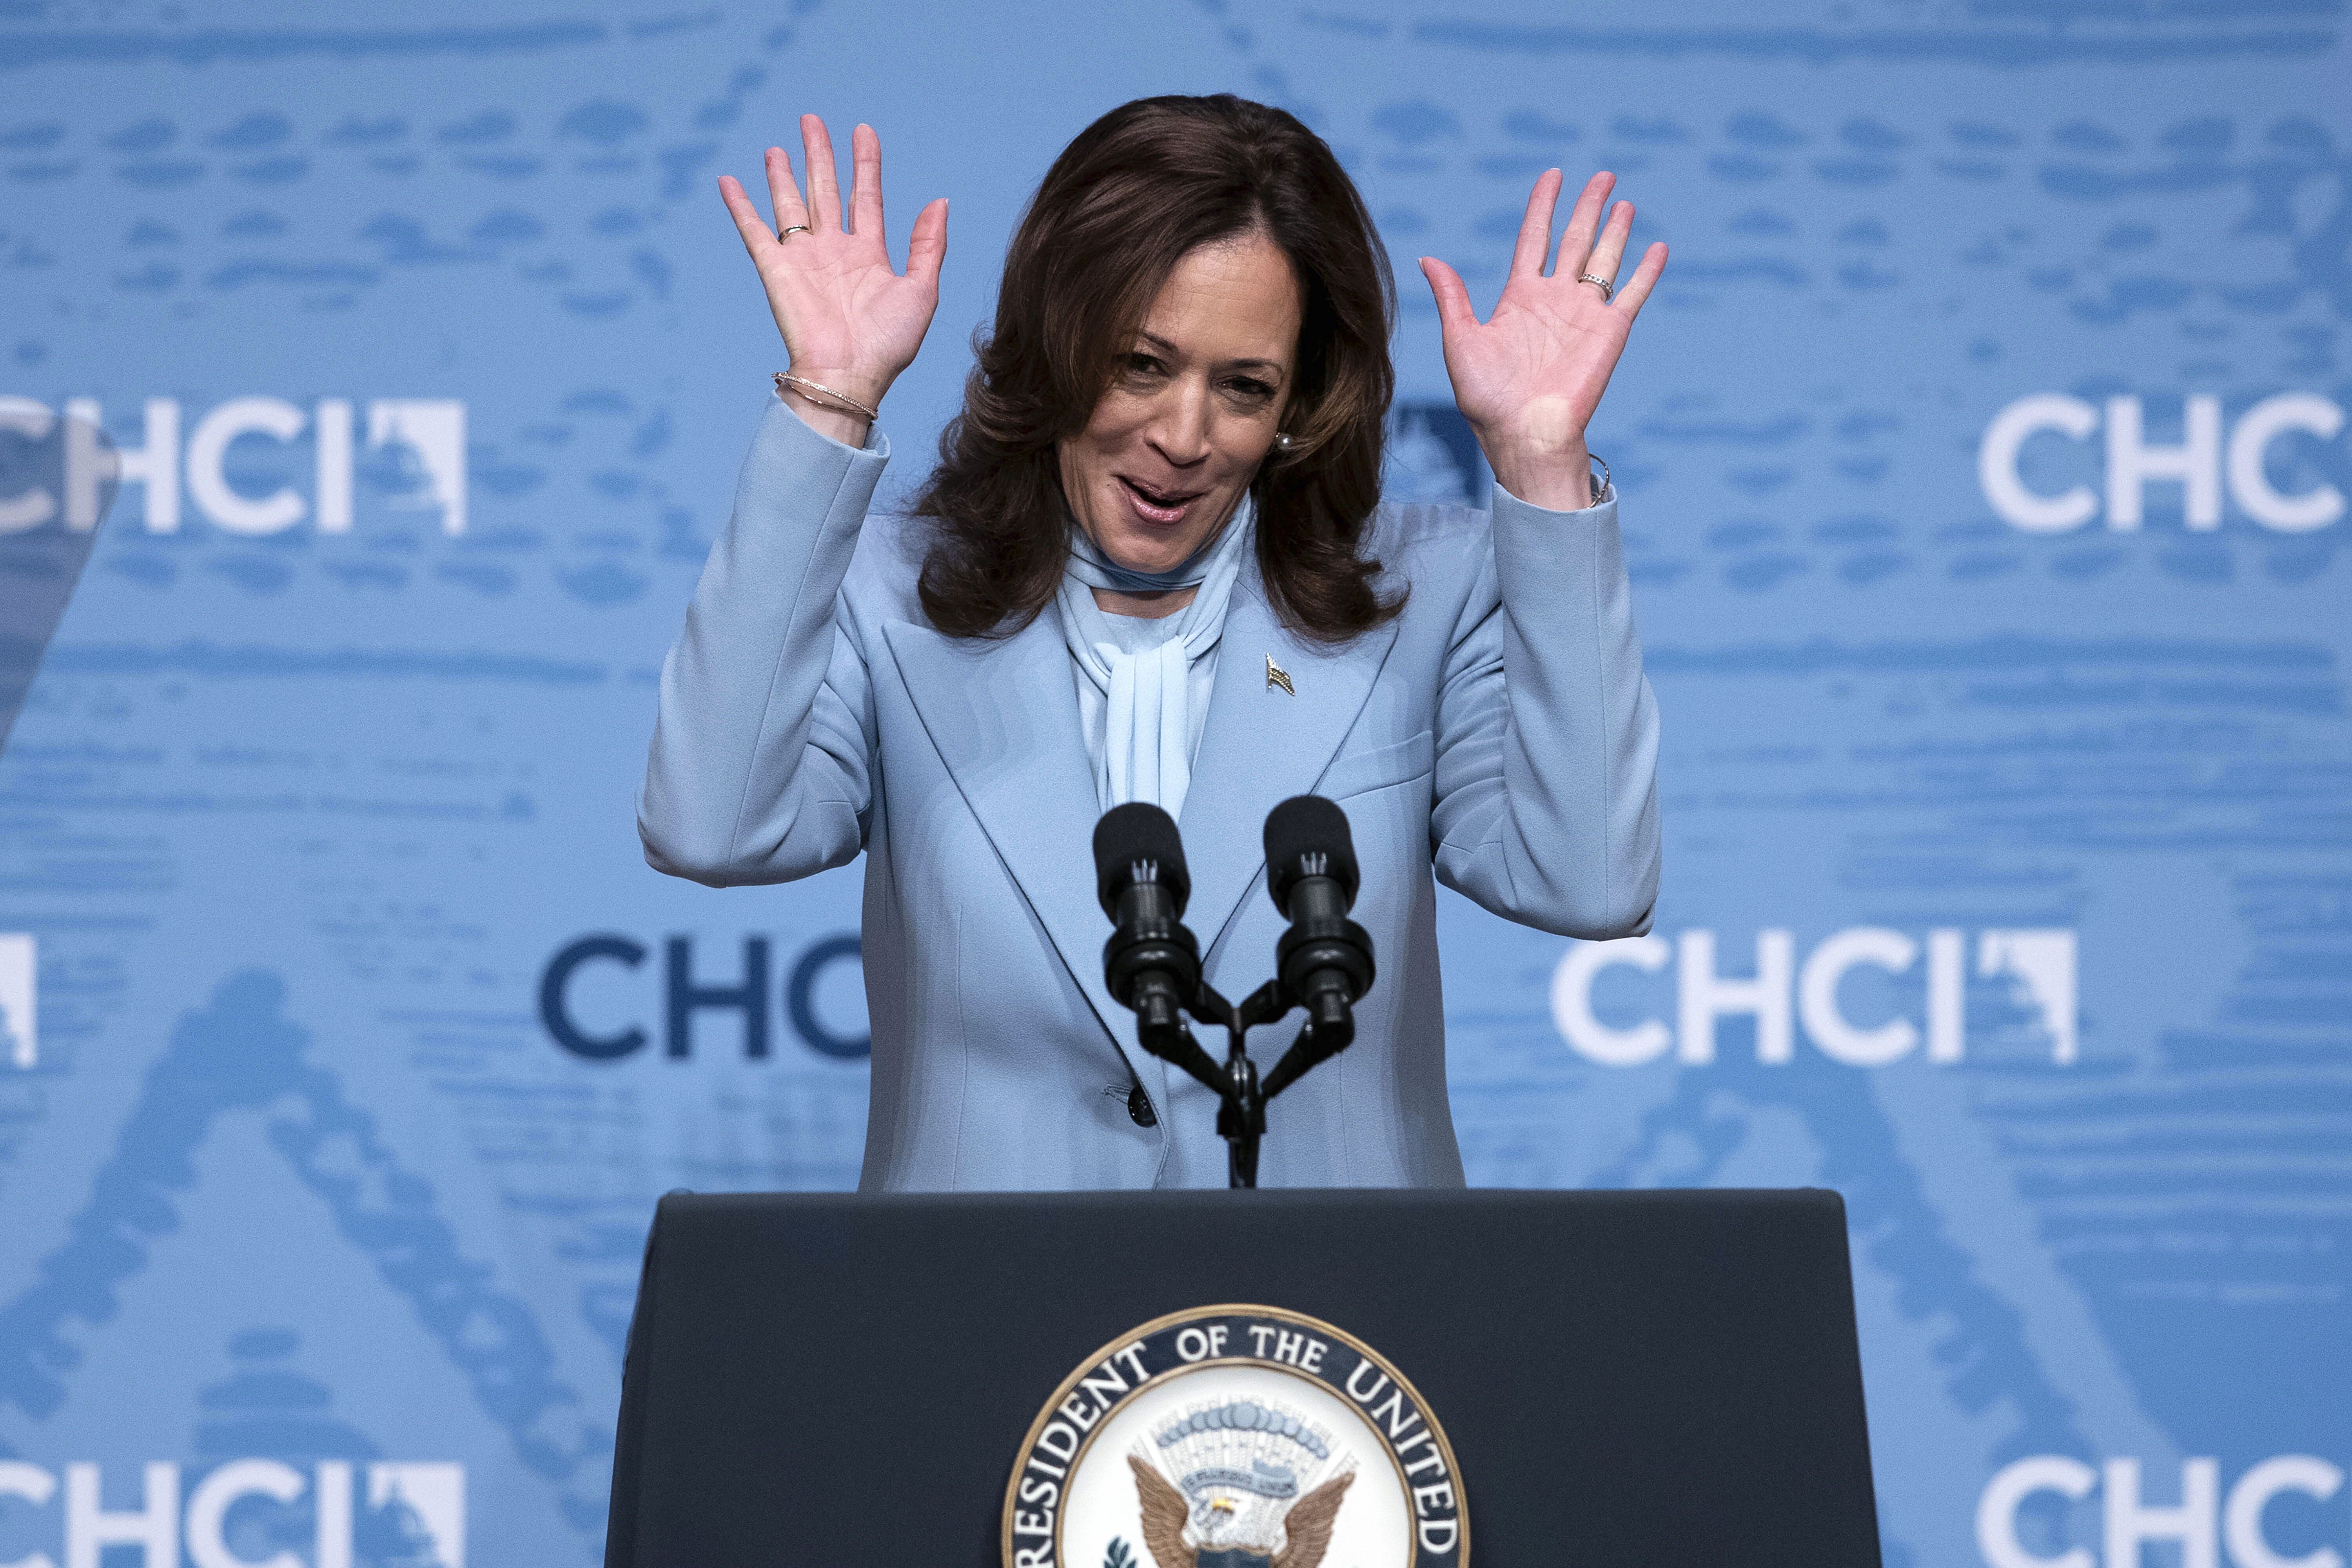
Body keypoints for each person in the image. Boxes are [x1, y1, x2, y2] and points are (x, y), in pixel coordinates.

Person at [640, 94, 1664, 1191]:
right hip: (985, 1336)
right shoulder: (887, 594)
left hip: (1329, 1341)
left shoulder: (1425, 596)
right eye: (1140, 363)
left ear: (1298, 405)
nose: (1182, 437)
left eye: (1244, 387)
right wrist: (830, 403)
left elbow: (1589, 882)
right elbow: (716, 828)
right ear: (1056, 343)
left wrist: (1542, 465)